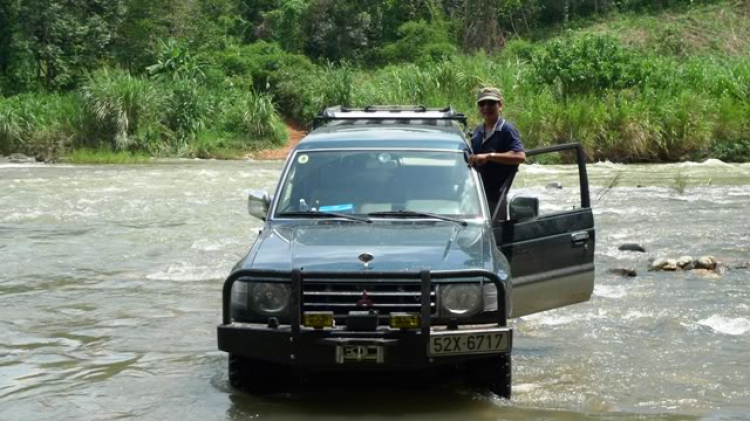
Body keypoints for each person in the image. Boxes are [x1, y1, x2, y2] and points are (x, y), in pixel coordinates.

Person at [468, 87, 526, 215]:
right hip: (476, 196)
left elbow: (521, 156)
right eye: (482, 104)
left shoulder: (507, 129)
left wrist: (489, 156)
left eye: (491, 103)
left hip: (496, 199)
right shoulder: (477, 131)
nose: (486, 107)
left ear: (500, 106)